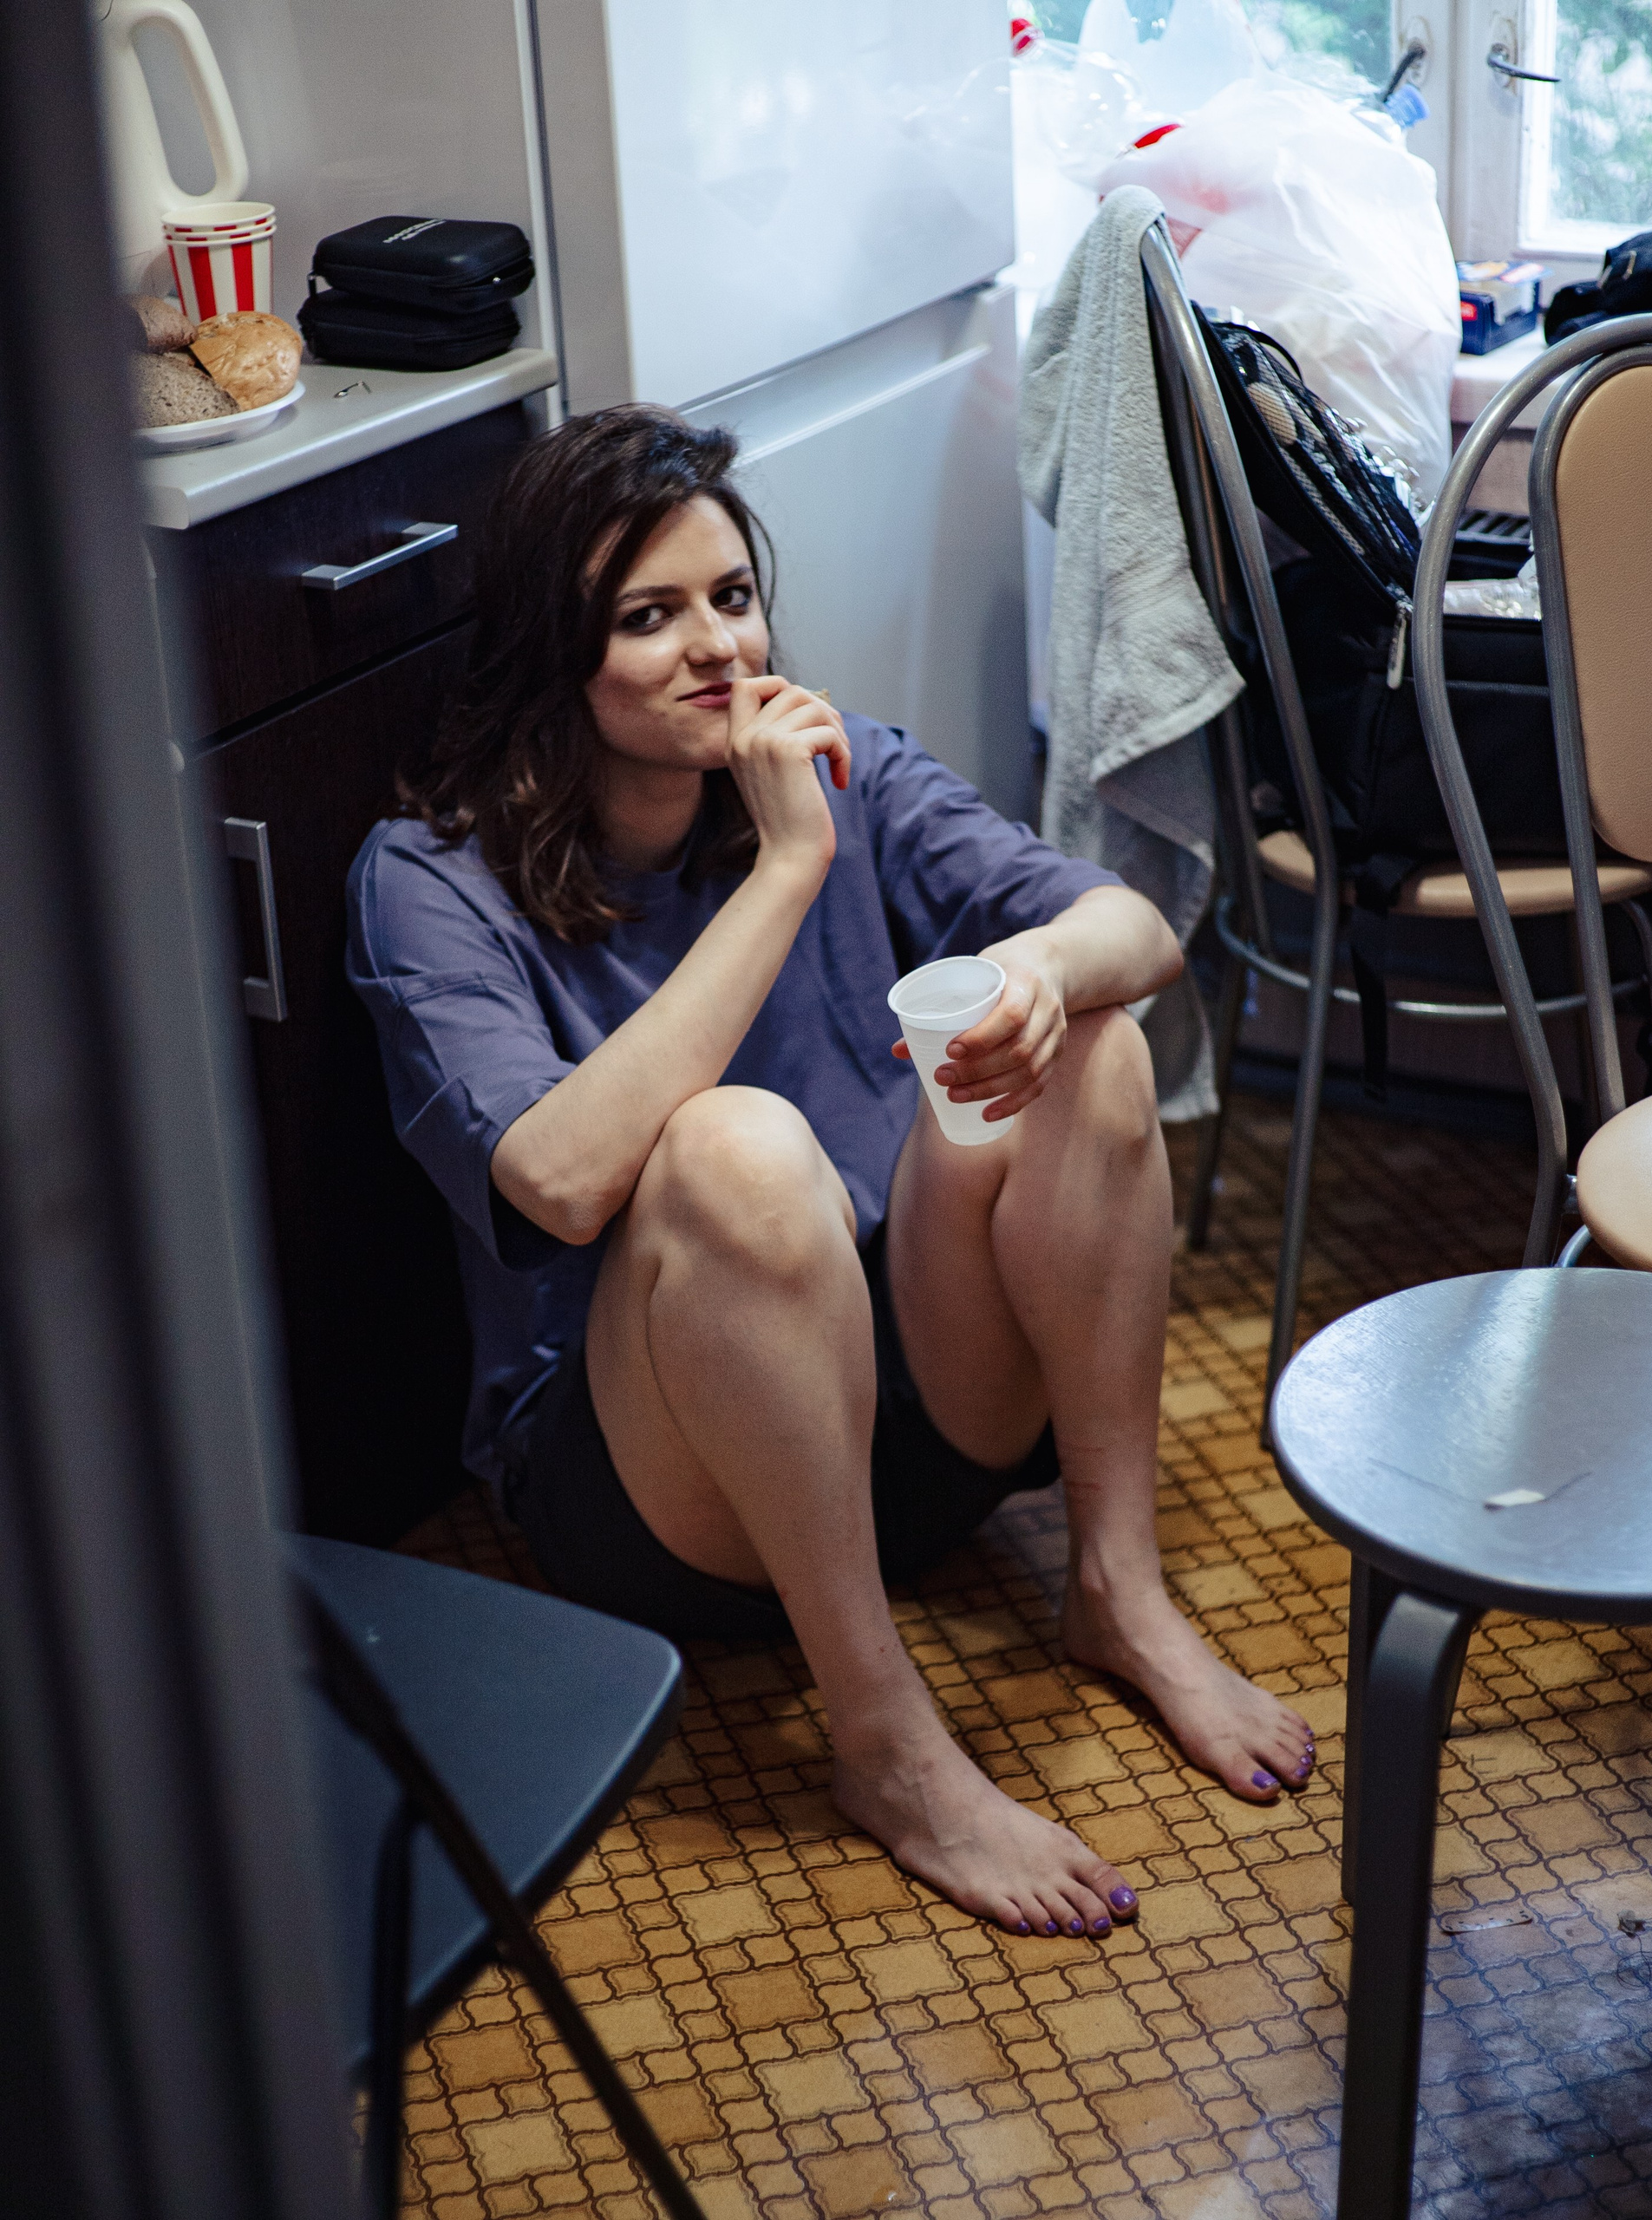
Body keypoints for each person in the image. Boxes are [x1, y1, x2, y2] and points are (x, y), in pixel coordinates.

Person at [347, 406, 1314, 1940]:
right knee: (730, 1146)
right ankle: (886, 1744)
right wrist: (787, 865)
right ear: (551, 652)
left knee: (1096, 1044)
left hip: (909, 1430)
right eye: (648, 617)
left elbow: (1133, 930)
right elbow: (563, 1181)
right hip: (660, 1502)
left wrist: (1042, 978)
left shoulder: (839, 765)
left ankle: (1117, 1591)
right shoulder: (430, 878)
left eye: (732, 597)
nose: (717, 648)